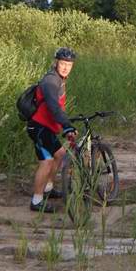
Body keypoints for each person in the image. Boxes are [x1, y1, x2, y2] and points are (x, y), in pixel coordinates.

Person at [25, 47, 78, 212]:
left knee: (60, 154)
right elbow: (53, 106)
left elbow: (57, 109)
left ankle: (48, 189)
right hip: (39, 128)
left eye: (69, 65)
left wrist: (65, 123)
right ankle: (36, 201)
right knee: (46, 162)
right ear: (56, 63)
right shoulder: (50, 81)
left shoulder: (60, 79)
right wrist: (66, 125)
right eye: (62, 63)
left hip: (47, 128)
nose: (65, 67)